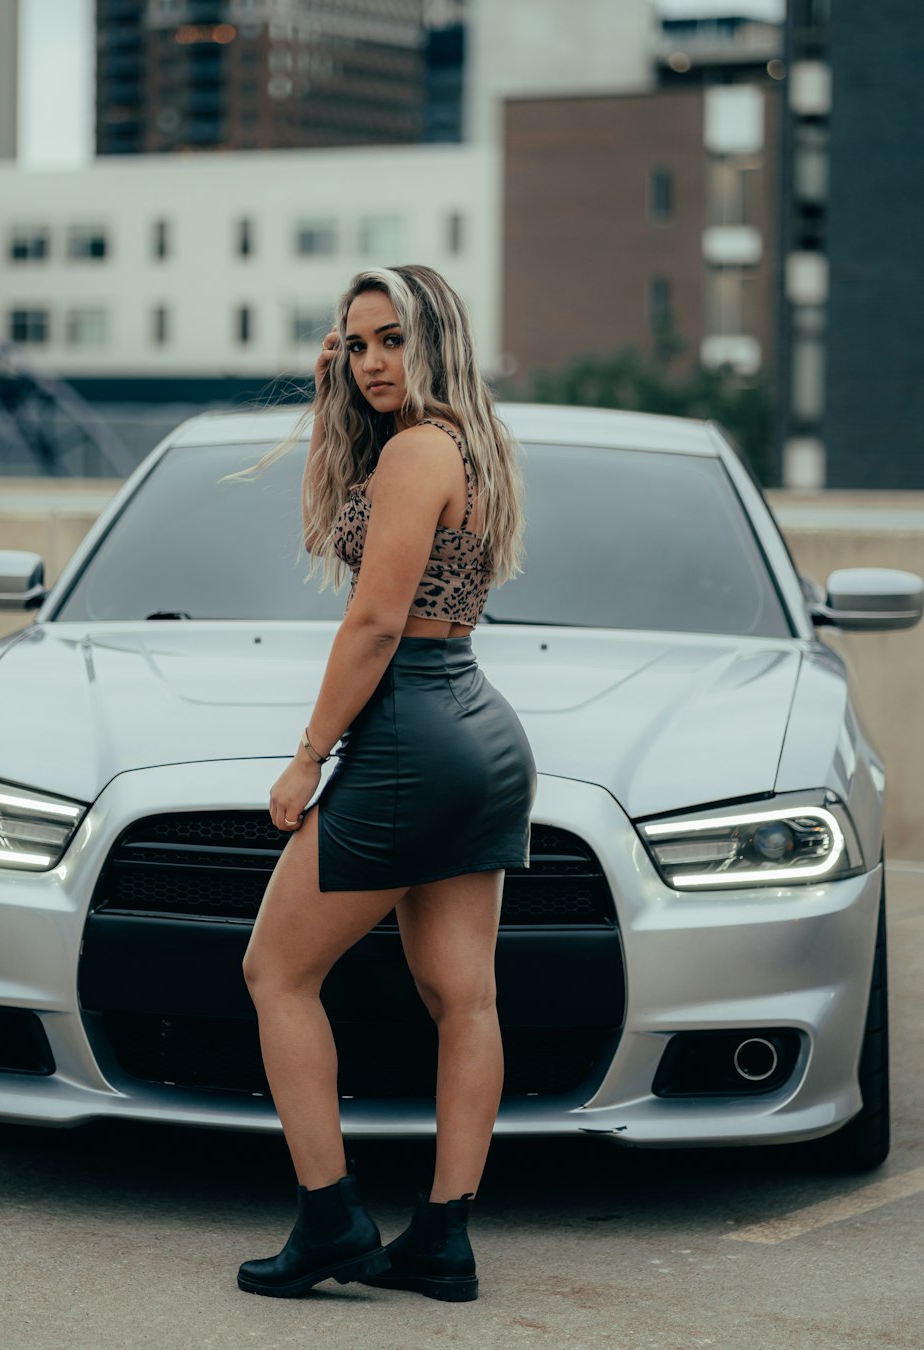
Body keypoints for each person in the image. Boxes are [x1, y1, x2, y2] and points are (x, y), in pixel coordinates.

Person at [236, 264, 536, 1302]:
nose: (370, 361)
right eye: (355, 343)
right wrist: (330, 411)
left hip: (412, 728)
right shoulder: (467, 444)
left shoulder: (415, 450)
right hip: (478, 731)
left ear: (434, 338)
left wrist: (309, 751)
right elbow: (344, 533)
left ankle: (331, 1219)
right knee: (465, 997)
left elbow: (373, 621)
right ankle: (443, 1239)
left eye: (391, 340)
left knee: (275, 973)